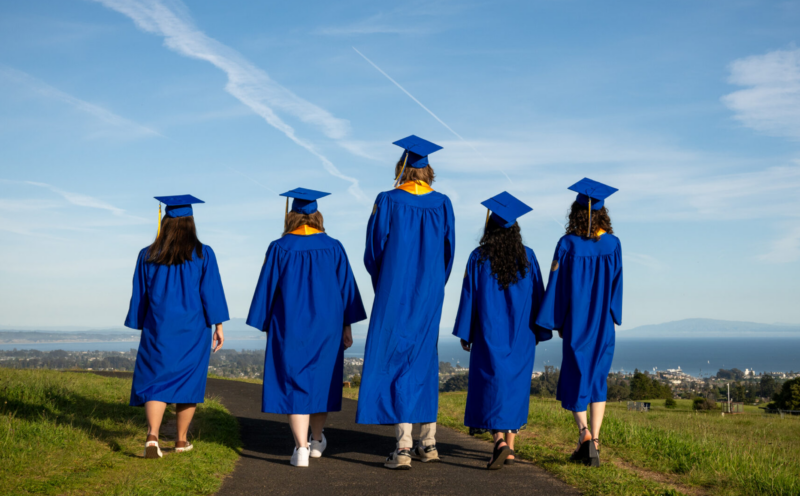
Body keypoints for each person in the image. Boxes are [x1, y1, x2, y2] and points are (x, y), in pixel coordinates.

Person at [247, 188, 367, 468]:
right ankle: (315, 441)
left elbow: (267, 289)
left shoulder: (279, 247)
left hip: (290, 326)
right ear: (317, 215)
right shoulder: (334, 246)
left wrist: (267, 325)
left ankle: (300, 448)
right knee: (320, 382)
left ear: (291, 216)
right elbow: (345, 290)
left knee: (294, 383)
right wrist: (347, 326)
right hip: (327, 327)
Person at [356, 135, 456, 470]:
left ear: (402, 168)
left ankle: (402, 447)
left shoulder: (387, 200)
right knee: (424, 358)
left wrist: (385, 280)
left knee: (395, 357)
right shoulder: (442, 204)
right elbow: (448, 253)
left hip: (394, 291)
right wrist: (432, 285)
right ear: (428, 170)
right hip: (428, 293)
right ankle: (428, 443)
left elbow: (373, 252)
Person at [125, 195, 229, 459]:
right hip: (193, 329)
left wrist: (140, 322)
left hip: (158, 328)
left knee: (155, 381)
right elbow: (211, 292)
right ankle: (181, 441)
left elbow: (141, 294)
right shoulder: (204, 254)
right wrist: (218, 325)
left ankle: (152, 438)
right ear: (191, 222)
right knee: (188, 382)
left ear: (166, 221)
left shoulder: (147, 255)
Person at [452, 192, 546, 470]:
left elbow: (469, 297)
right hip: (521, 335)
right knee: (515, 386)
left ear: (489, 228)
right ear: (516, 229)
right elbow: (539, 297)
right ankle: (512, 447)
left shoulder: (478, 258)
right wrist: (539, 332)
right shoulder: (528, 258)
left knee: (490, 384)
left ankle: (498, 442)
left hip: (488, 334)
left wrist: (466, 332)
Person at [535, 178, 623, 467]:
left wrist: (555, 319)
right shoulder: (613, 244)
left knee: (576, 376)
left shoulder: (567, 244)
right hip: (602, 325)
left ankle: (584, 435)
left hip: (577, 323)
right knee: (598, 378)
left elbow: (557, 285)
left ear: (576, 211)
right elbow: (616, 287)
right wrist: (613, 314)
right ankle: (595, 440)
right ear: (602, 212)